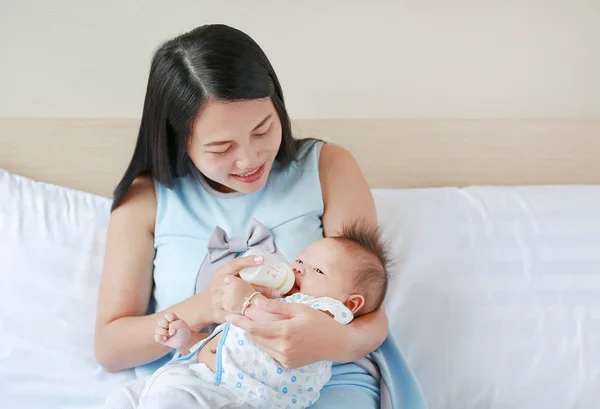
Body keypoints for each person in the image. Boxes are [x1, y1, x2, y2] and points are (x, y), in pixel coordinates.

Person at [94, 23, 427, 409]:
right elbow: (110, 347)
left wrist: (329, 340)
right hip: (203, 383)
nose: (249, 159)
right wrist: (210, 306)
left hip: (323, 381)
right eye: (221, 147)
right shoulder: (147, 200)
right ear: (178, 139)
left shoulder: (327, 167)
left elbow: (371, 312)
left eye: (262, 129)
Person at [104, 222, 389, 409]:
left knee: (167, 399)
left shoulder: (327, 314)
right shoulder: (273, 298)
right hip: (198, 378)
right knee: (123, 398)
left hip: (240, 399)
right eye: (300, 260)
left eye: (318, 271)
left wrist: (247, 301)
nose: (300, 268)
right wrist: (188, 339)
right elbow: (230, 349)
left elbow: (275, 328)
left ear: (350, 303)